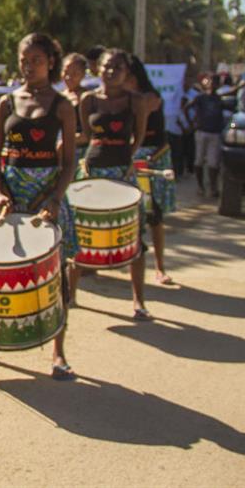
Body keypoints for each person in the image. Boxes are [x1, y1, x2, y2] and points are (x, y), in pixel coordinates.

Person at [0, 33, 78, 379]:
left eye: (36, 60)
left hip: (47, 197)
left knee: (54, 274)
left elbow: (70, 161)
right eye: (24, 60)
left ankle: (58, 352)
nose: (28, 66)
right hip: (10, 197)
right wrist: (0, 192)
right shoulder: (7, 103)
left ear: (50, 62)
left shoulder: (62, 105)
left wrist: (55, 198)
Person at [72, 50, 152, 317]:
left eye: (117, 68)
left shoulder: (136, 101)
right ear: (98, 69)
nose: (111, 72)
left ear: (126, 73)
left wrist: (128, 159)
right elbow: (87, 135)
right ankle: (71, 296)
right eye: (107, 66)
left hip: (122, 173)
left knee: (133, 236)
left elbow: (138, 136)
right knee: (81, 233)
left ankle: (138, 301)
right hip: (92, 170)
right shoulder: (88, 100)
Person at [125, 54, 176, 286]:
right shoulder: (118, 100)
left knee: (154, 215)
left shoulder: (150, 98)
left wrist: (144, 158)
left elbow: (157, 137)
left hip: (151, 161)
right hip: (129, 161)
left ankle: (160, 268)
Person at [188, 73, 225, 198]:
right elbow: (186, 107)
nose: (213, 84)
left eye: (216, 82)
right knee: (199, 160)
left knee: (213, 163)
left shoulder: (219, 99)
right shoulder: (201, 98)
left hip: (215, 133)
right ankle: (200, 186)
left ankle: (213, 187)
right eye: (211, 81)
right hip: (201, 132)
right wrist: (191, 124)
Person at [62, 53, 90, 161]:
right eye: (65, 72)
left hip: (82, 153)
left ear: (83, 74)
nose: (68, 77)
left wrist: (65, 139)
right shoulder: (58, 97)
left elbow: (89, 134)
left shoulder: (88, 98)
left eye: (75, 73)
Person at [173, 70, 200, 177]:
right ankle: (179, 171)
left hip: (191, 127)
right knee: (179, 151)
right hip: (177, 127)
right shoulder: (176, 94)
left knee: (191, 149)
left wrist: (191, 125)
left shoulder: (196, 95)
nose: (187, 83)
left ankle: (190, 169)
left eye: (189, 80)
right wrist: (181, 126)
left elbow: (198, 111)